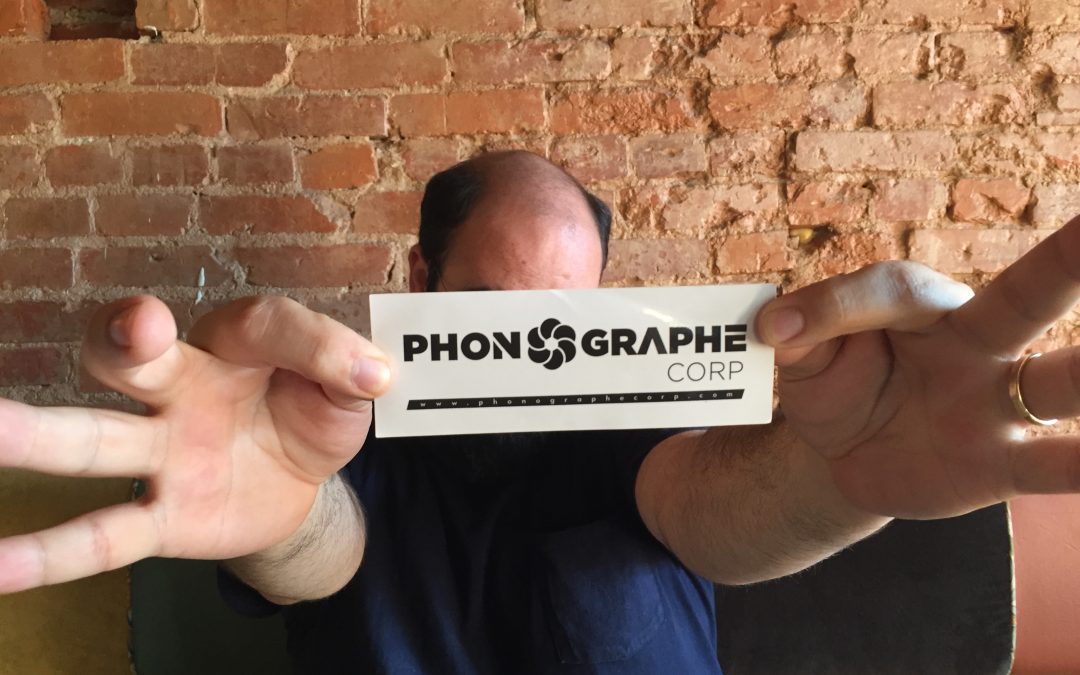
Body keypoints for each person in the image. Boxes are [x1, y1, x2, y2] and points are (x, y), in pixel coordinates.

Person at [0, 150, 1076, 673]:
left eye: (566, 313)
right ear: (421, 278)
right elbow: (320, 538)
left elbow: (712, 507)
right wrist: (276, 519)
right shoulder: (332, 417)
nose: (533, 345)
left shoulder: (640, 415)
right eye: (491, 307)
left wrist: (834, 484)